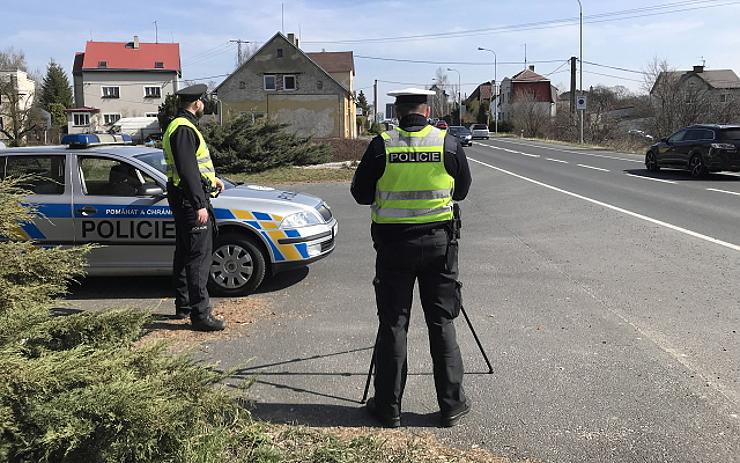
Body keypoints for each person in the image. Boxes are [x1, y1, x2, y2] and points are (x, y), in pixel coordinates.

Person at [351, 88, 473, 428]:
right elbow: (461, 190)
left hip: (393, 248)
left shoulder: (382, 145)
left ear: (398, 110)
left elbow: (360, 195)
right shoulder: (447, 143)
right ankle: (451, 405)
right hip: (439, 246)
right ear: (427, 109)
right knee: (441, 322)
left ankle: (388, 408)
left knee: (394, 323)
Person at [162, 84, 226, 332]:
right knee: (199, 257)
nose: (204, 106)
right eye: (203, 102)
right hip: (190, 201)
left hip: (181, 197)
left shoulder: (177, 125)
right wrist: (199, 203)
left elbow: (191, 168)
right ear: (197, 103)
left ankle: (185, 305)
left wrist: (213, 179)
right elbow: (188, 171)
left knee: (185, 252)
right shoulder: (184, 129)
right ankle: (201, 315)